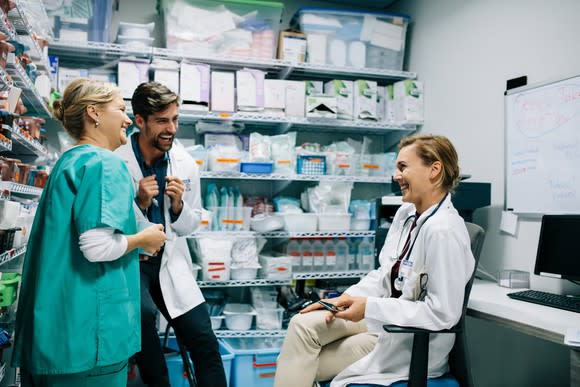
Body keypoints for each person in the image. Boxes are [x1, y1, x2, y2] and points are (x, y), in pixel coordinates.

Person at [274, 134, 476, 387]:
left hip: (407, 341)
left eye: (403, 167)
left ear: (434, 170)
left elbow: (442, 314)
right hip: (382, 320)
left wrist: (368, 307)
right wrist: (342, 300)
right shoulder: (406, 214)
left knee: (303, 363)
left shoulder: (443, 231)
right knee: (301, 325)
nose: (396, 176)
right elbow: (384, 274)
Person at [11, 78, 167, 386]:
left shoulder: (71, 161)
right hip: (88, 339)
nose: (127, 119)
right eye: (121, 109)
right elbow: (96, 247)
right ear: (94, 113)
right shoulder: (104, 163)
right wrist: (142, 240)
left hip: (57, 334)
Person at [115, 81, 227, 387]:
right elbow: (108, 226)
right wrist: (139, 203)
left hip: (170, 261)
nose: (171, 129)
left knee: (204, 341)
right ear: (140, 121)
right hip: (132, 262)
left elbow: (191, 225)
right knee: (142, 321)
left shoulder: (185, 163)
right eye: (162, 121)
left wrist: (178, 206)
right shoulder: (116, 160)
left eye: (175, 120)